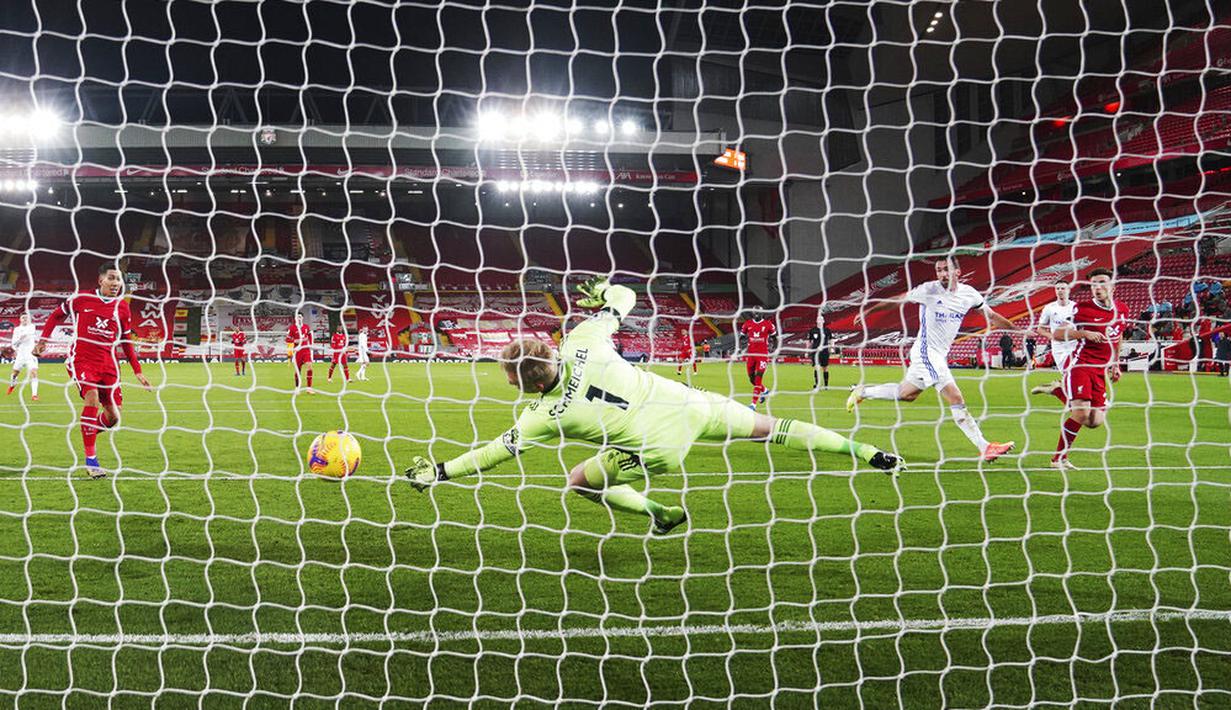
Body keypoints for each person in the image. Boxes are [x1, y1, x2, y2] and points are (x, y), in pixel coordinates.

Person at [405, 277, 905, 535]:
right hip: (691, 403)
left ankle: (660, 512)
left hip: (657, 449)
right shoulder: (583, 338)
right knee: (776, 428)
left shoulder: (542, 415)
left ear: (523, 385)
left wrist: (440, 472)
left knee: (580, 480)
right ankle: (866, 452)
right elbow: (624, 294)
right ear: (549, 353)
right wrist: (602, 292)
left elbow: (494, 453)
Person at [846, 256, 1016, 462]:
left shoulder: (969, 294)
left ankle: (862, 391)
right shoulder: (928, 290)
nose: (942, 274)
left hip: (935, 355)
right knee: (955, 397)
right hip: (927, 352)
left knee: (906, 394)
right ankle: (985, 447)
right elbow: (898, 300)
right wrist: (869, 310)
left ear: (957, 272)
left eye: (946, 269)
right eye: (939, 270)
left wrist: (1018, 331)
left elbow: (992, 316)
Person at [33, 263, 152, 479]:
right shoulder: (81, 299)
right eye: (112, 278)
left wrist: (138, 370)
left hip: (108, 363)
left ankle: (87, 430)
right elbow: (55, 316)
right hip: (82, 359)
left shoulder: (122, 307)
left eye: (119, 280)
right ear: (101, 280)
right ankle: (91, 460)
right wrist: (43, 341)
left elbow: (126, 341)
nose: (116, 283)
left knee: (113, 417)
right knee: (91, 398)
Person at [1048, 268, 1130, 470]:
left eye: (1102, 282)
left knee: (1095, 421)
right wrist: (1083, 333)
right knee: (1081, 414)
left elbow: (1118, 337)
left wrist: (1115, 362)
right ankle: (1058, 459)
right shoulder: (1081, 309)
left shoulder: (1123, 309)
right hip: (1080, 365)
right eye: (1093, 284)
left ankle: (1058, 391)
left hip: (1100, 370)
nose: (1097, 287)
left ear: (1112, 285)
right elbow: (1058, 334)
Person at [1030, 282, 1078, 402]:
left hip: (1074, 345)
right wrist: (1052, 336)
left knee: (1074, 374)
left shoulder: (1076, 307)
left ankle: (1056, 389)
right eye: (1057, 288)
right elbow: (1040, 329)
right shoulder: (1049, 308)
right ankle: (1057, 389)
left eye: (1063, 288)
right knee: (1069, 376)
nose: (1060, 290)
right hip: (1059, 348)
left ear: (1069, 290)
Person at [739, 310, 777, 408]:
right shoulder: (747, 324)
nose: (756, 314)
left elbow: (774, 337)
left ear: (761, 313)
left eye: (758, 312)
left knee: (758, 377)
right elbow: (742, 336)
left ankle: (753, 404)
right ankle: (765, 391)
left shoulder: (768, 324)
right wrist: (742, 344)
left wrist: (774, 348)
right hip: (751, 355)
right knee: (751, 379)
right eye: (755, 312)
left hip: (762, 355)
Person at [7, 313, 40, 401]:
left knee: (34, 372)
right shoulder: (17, 329)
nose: (25, 319)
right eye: (23, 318)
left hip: (30, 354)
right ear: (20, 319)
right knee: (15, 373)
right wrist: (18, 343)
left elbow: (27, 336)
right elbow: (14, 343)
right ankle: (12, 385)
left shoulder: (32, 327)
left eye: (26, 318)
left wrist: (21, 339)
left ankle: (34, 395)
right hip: (20, 354)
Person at [286, 312, 314, 393]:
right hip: (297, 352)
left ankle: (309, 388)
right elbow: (287, 339)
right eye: (297, 317)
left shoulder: (306, 327)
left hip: (306, 350)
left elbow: (309, 335)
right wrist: (296, 340)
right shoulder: (292, 328)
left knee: (309, 367)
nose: (299, 318)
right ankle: (297, 387)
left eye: (300, 317)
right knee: (298, 370)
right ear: (295, 319)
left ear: (302, 318)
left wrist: (311, 345)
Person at [807, 312, 832, 389]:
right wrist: (807, 350)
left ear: (823, 321)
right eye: (818, 320)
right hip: (815, 351)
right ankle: (817, 384)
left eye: (821, 320)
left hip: (824, 351)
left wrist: (831, 348)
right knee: (816, 367)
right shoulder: (812, 330)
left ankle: (826, 385)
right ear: (816, 321)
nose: (820, 321)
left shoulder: (827, 330)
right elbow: (809, 341)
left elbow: (831, 340)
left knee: (825, 368)